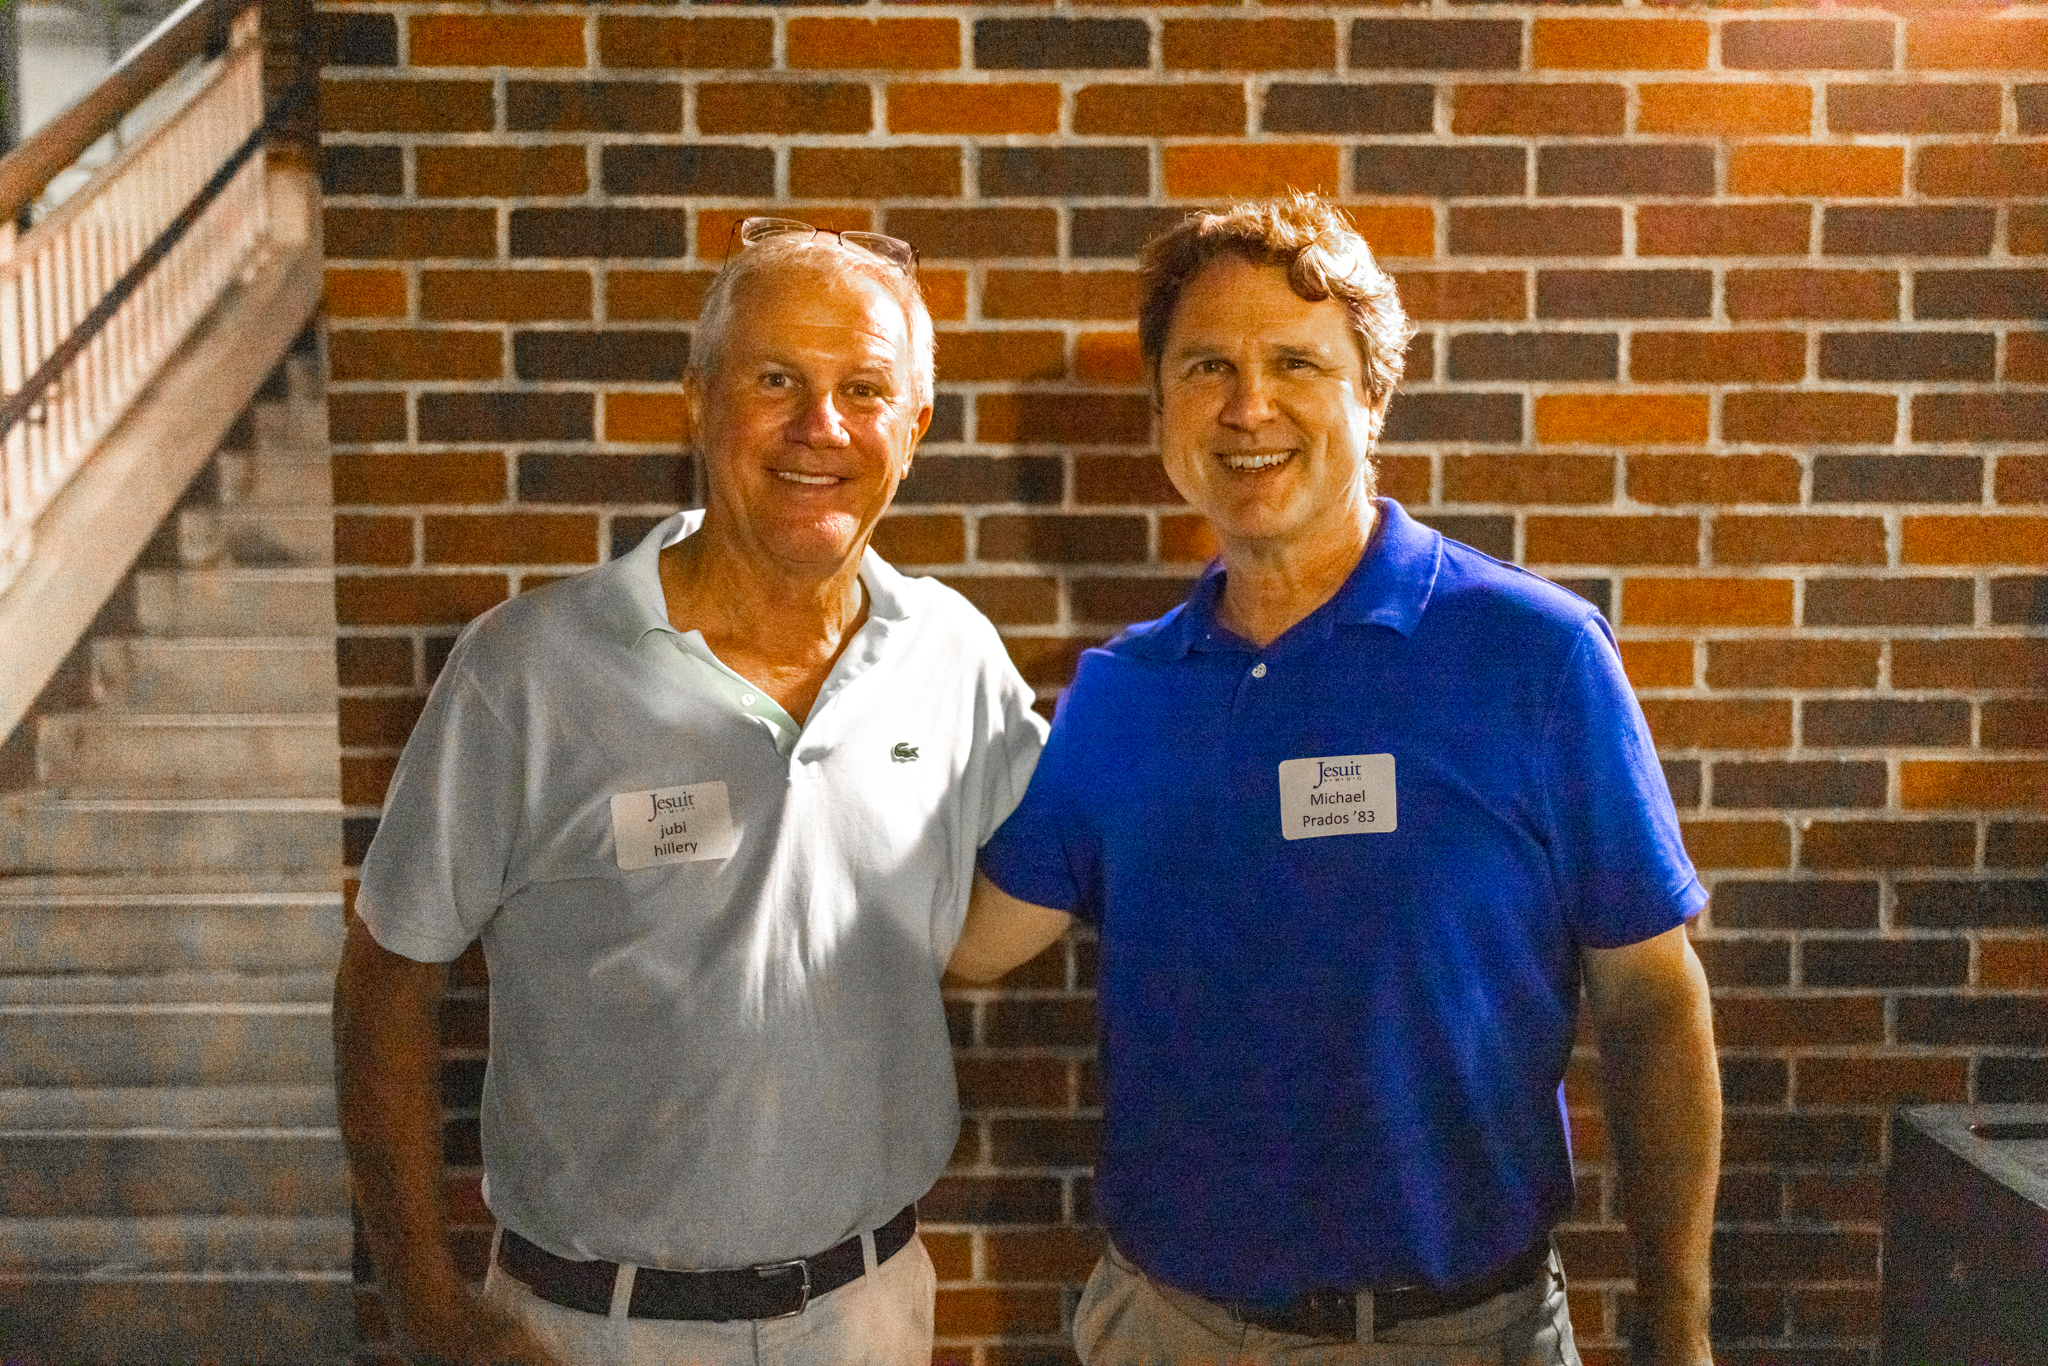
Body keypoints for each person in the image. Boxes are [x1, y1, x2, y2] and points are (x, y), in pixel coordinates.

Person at [949, 193, 1720, 1366]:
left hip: (1460, 1338)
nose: (1246, 405)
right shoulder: (1121, 695)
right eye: (1206, 367)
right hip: (1166, 1330)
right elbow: (970, 939)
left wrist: (1675, 1321)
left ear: (1372, 397)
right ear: (1159, 413)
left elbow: (1651, 1003)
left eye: (1294, 364)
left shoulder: (1532, 656)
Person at [334, 218, 1046, 1366]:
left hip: (864, 1317)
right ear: (699, 398)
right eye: (775, 380)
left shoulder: (950, 655)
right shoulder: (528, 669)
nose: (821, 426)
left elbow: (1065, 859)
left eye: (864, 389)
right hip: (589, 1329)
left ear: (914, 426)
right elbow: (385, 977)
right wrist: (425, 1308)